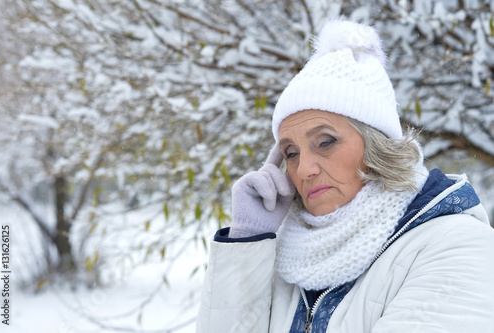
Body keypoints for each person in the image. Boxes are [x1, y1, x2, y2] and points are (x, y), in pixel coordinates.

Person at [196, 19, 494, 333]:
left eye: (325, 142)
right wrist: (248, 244)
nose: (304, 169)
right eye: (291, 153)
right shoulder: (283, 257)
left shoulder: (455, 244)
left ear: (376, 145)